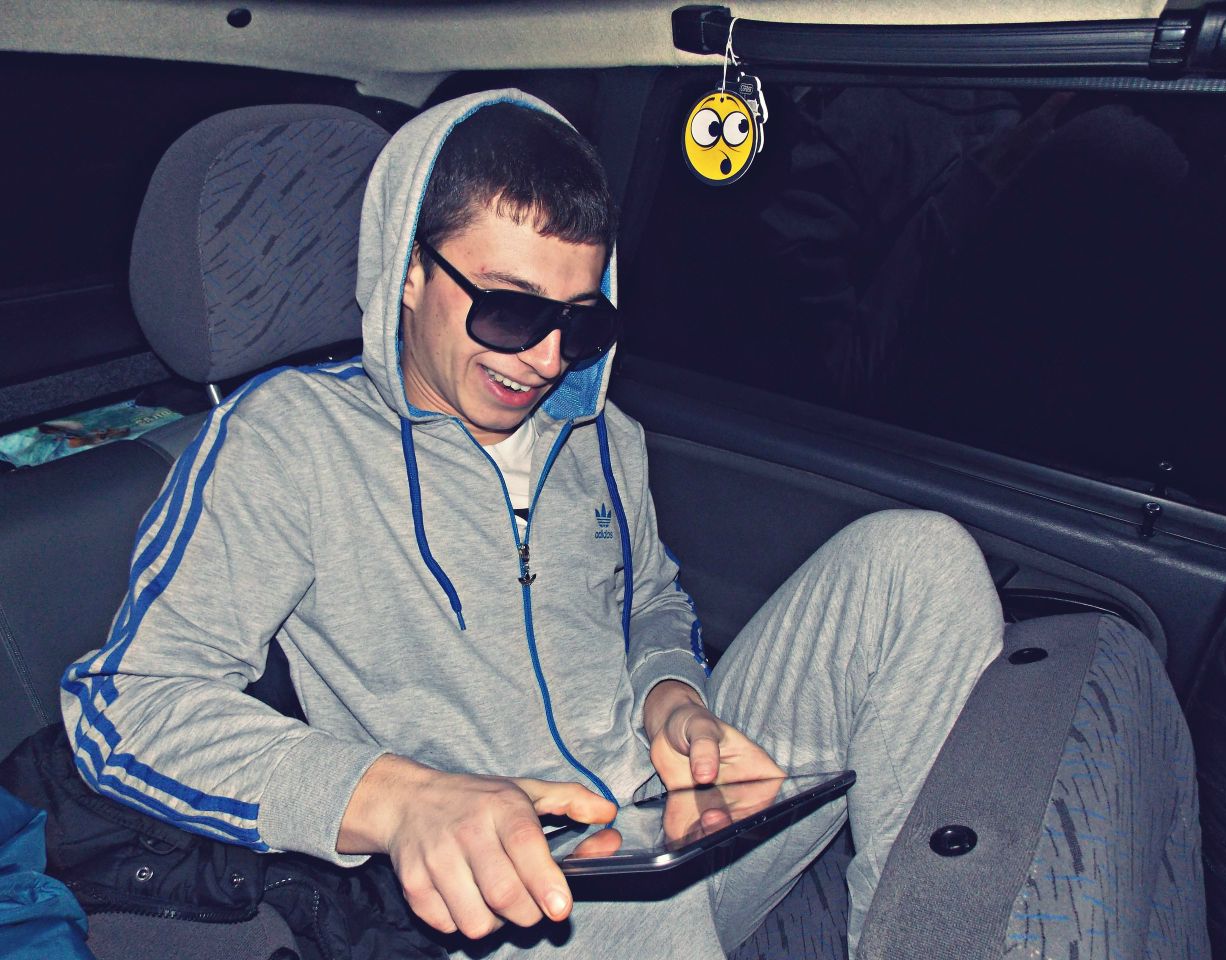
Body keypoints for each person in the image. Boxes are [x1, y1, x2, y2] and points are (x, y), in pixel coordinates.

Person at [61, 89, 1004, 958]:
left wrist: (672, 699)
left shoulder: (601, 436)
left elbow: (653, 604)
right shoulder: (288, 440)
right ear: (408, 272)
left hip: (664, 826)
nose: (549, 361)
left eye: (581, 323)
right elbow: (126, 705)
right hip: (514, 898)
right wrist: (397, 799)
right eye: (510, 312)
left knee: (917, 560)